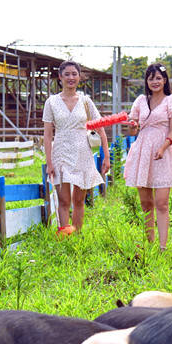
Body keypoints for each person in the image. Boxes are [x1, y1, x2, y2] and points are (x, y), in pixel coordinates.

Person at [43, 60, 110, 233]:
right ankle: (65, 237)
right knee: (64, 200)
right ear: (60, 77)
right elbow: (48, 134)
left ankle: (77, 236)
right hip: (61, 153)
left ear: (79, 77)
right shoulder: (51, 102)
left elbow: (100, 129)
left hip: (82, 153)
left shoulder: (86, 102)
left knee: (79, 200)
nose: (71, 78)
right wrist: (49, 163)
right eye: (67, 74)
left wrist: (106, 156)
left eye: (74, 74)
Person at [124, 63, 172, 250]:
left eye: (158, 78)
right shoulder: (141, 100)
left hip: (163, 151)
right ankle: (149, 242)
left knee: (162, 202)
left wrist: (163, 147)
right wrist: (132, 126)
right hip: (143, 149)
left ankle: (162, 245)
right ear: (147, 81)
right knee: (145, 202)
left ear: (164, 80)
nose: (155, 82)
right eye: (151, 78)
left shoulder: (171, 100)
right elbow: (132, 130)